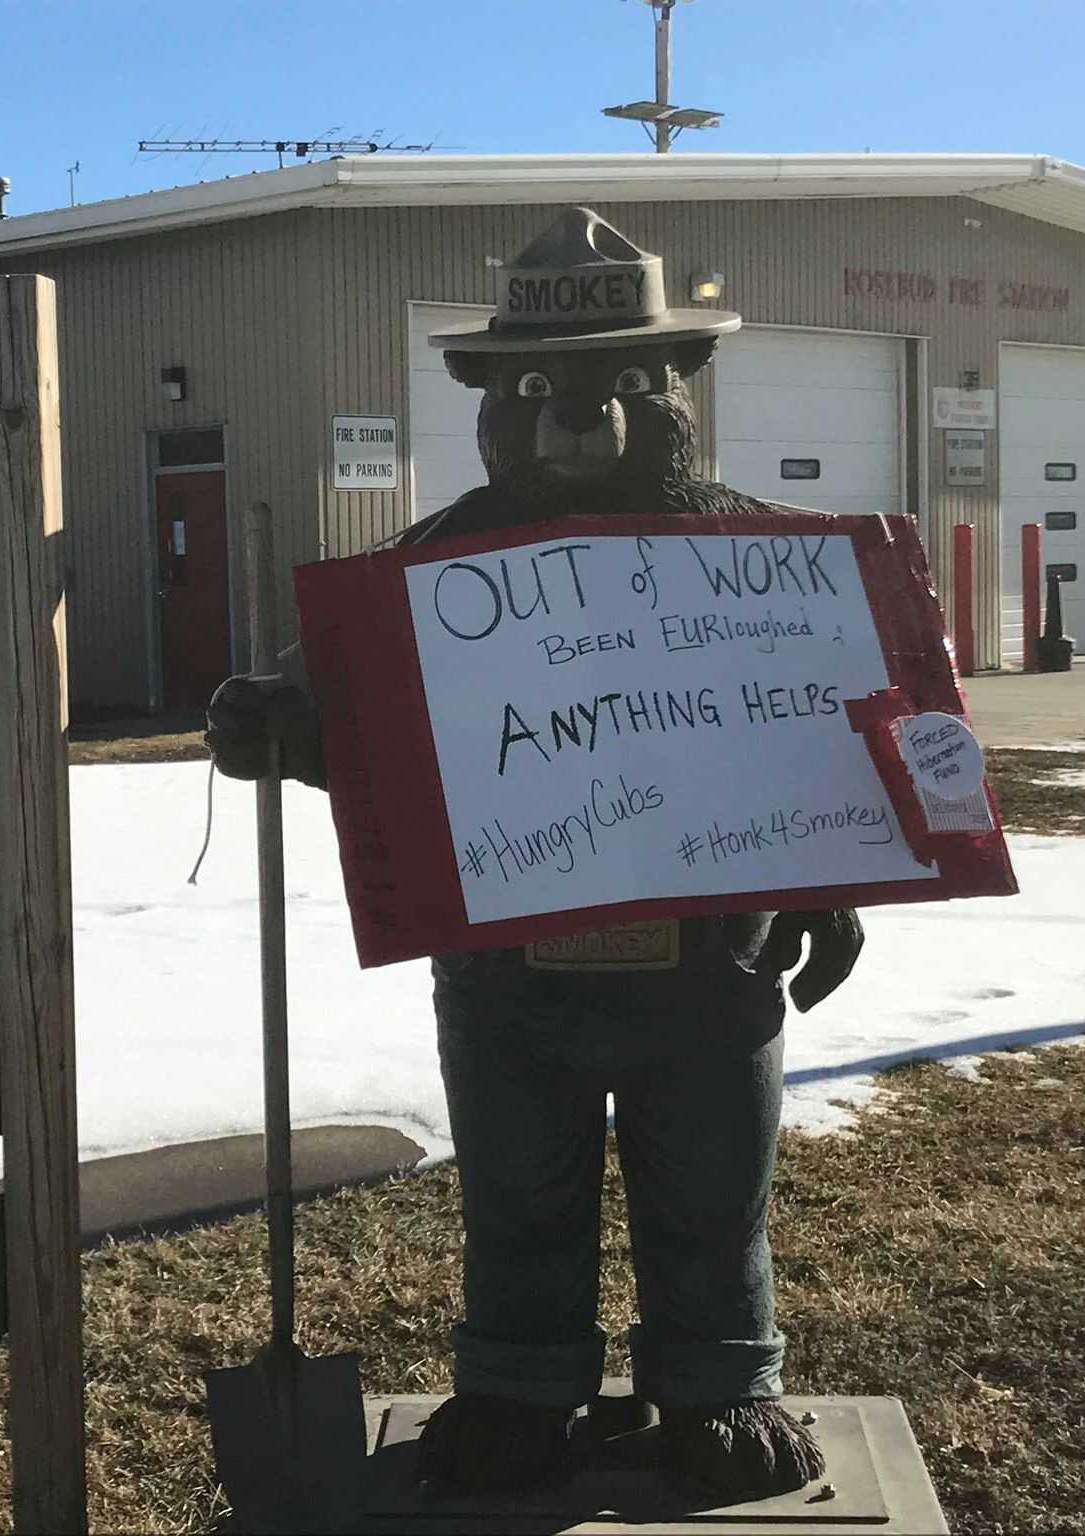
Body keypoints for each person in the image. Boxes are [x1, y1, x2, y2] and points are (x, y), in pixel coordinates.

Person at [205, 207, 863, 1500]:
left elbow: (821, 721)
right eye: (536, 390)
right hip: (510, 967)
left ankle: (720, 1384)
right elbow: (346, 702)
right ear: (492, 406)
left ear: (677, 392)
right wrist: (274, 721)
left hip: (707, 963)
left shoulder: (749, 557)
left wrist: (835, 873)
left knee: (711, 1187)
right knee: (518, 1190)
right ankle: (516, 1386)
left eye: (626, 383)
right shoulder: (441, 562)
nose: (581, 417)